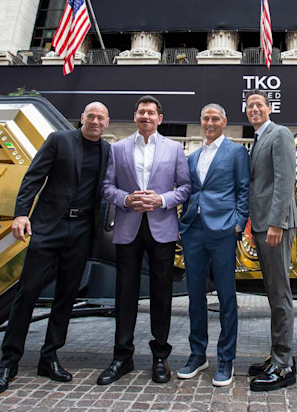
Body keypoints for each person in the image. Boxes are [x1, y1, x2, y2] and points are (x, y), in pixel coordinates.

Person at [0, 102, 111, 396]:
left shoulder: (108, 151)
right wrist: (21, 213)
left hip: (82, 231)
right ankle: (8, 363)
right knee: (27, 292)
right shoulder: (59, 140)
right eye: (90, 116)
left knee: (67, 297)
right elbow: (33, 177)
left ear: (106, 123)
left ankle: (49, 357)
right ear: (82, 118)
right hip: (48, 227)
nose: (95, 121)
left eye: (100, 118)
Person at [98, 95, 191, 385]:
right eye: (141, 112)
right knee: (125, 294)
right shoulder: (118, 148)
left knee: (161, 295)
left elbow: (186, 187)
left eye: (151, 113)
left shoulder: (175, 148)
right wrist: (125, 198)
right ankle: (122, 357)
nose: (146, 117)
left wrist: (162, 199)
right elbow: (106, 187)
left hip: (162, 229)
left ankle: (160, 356)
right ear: (135, 116)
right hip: (128, 228)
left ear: (160, 118)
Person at [177, 103, 249, 387]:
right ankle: (197, 354)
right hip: (194, 229)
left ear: (224, 121)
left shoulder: (236, 152)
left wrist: (238, 222)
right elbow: (190, 190)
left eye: (215, 118)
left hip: (223, 230)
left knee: (227, 297)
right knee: (194, 295)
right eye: (205, 117)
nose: (210, 122)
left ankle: (226, 359)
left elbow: (244, 188)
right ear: (201, 121)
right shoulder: (192, 156)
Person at [244, 89, 297, 392]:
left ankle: (283, 364)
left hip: (275, 226)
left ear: (269, 108)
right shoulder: (259, 138)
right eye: (250, 105)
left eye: (259, 105)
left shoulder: (279, 134)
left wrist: (276, 223)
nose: (254, 109)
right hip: (263, 225)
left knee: (280, 295)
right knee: (273, 293)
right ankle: (277, 355)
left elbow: (284, 180)